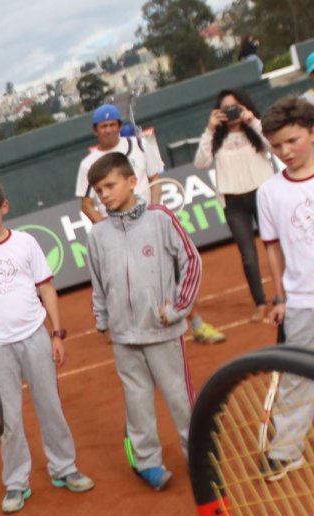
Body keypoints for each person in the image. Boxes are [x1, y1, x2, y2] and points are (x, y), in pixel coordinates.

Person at [0, 177, 94, 514]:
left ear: (4, 207)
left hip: (35, 336)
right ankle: (16, 482)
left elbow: (46, 289)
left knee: (50, 407)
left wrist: (56, 334)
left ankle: (64, 468)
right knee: (9, 420)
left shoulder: (26, 243)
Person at [85, 152, 202, 492]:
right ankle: (147, 462)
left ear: (132, 181)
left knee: (181, 399)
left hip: (163, 331)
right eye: (98, 190)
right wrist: (103, 320)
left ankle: (197, 456)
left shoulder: (160, 218)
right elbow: (98, 281)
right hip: (124, 336)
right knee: (136, 403)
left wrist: (179, 307)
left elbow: (191, 261)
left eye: (109, 186)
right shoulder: (98, 235)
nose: (104, 195)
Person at [76, 103, 225, 345]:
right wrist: (110, 229)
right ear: (95, 130)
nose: (108, 130)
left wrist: (154, 210)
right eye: (103, 126)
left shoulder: (140, 146)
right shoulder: (88, 164)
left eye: (113, 125)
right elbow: (86, 204)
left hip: (148, 224)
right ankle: (132, 332)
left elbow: (156, 180)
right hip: (117, 230)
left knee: (171, 272)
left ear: (119, 126)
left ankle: (196, 324)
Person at [256, 96, 314, 480]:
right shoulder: (269, 193)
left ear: (313, 131)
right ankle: (286, 450)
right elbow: (272, 247)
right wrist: (279, 296)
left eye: (292, 141)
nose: (285, 152)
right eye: (276, 146)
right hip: (302, 301)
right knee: (297, 376)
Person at [194, 88, 276, 324]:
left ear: (244, 106)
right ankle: (260, 303)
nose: (231, 112)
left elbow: (273, 146)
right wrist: (210, 128)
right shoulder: (216, 139)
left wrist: (253, 120)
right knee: (248, 257)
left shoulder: (255, 129)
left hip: (263, 195)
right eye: (226, 109)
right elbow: (201, 163)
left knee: (276, 247)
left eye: (235, 106)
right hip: (233, 202)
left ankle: (286, 296)